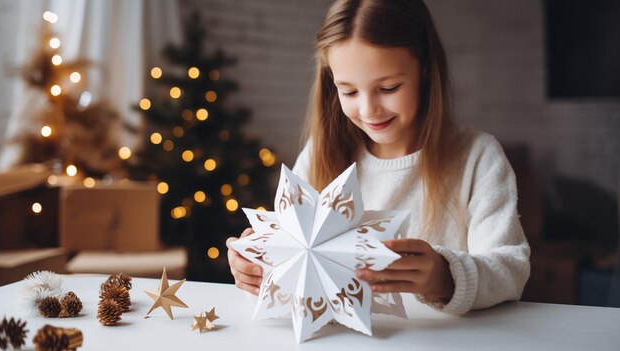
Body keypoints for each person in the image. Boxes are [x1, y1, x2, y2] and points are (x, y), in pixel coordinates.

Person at [226, 0, 530, 315]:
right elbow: (292, 281)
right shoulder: (319, 156)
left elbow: (511, 269)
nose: (369, 110)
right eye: (349, 92)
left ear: (425, 69)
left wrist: (445, 276)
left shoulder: (478, 158)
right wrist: (258, 269)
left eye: (388, 87)